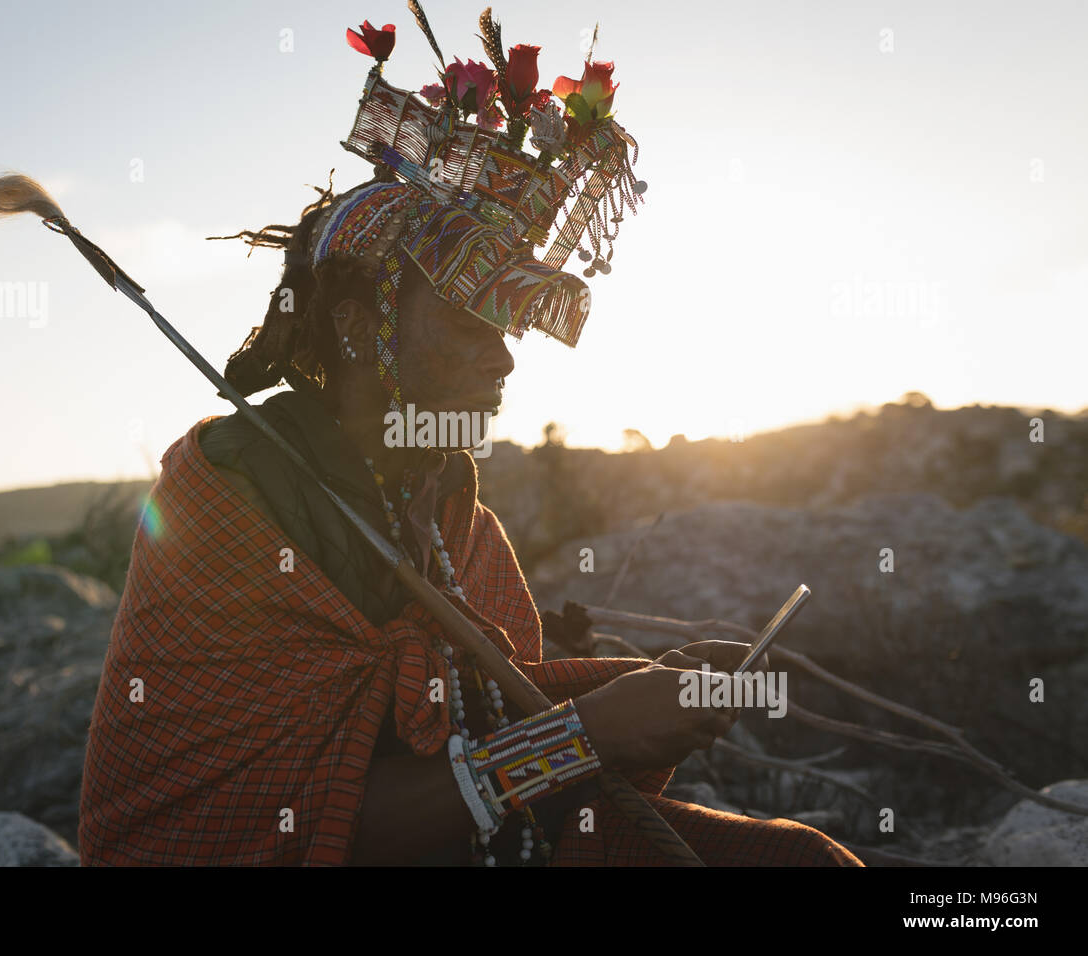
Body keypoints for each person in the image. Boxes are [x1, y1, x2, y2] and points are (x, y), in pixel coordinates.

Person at [77, 5, 864, 866]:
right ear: (351, 326)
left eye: (510, 327)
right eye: (465, 321)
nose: (504, 361)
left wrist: (653, 687)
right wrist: (592, 734)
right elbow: (301, 830)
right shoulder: (226, 508)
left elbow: (486, 718)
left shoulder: (455, 517)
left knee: (802, 861)